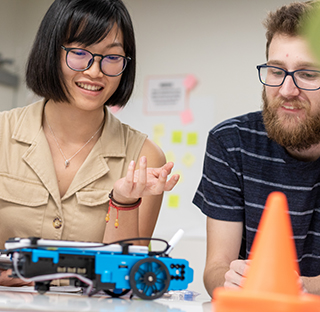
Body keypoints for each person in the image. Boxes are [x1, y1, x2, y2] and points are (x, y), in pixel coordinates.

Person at [0, 0, 179, 285]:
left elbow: (123, 278)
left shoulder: (144, 157)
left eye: (112, 57)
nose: (95, 71)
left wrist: (124, 201)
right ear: (51, 52)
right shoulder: (2, 135)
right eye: (80, 52)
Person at [193, 0, 320, 297]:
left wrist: (299, 286)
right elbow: (215, 268)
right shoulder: (230, 143)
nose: (287, 91)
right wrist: (228, 278)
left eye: (308, 74)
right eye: (276, 71)